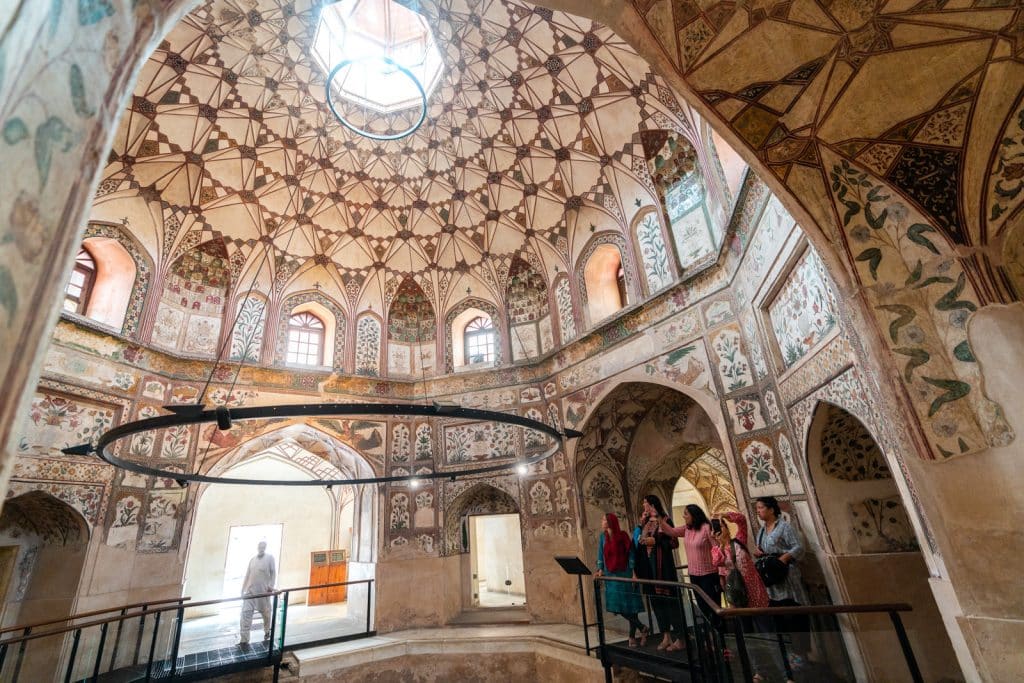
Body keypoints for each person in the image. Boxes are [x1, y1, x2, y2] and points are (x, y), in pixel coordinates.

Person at [752, 497, 810, 667]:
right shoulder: (762, 531)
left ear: (771, 509)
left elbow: (798, 547)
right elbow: (763, 549)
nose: (758, 511)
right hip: (772, 582)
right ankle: (789, 658)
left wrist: (784, 558)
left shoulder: (784, 527)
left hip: (786, 577)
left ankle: (802, 656)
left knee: (794, 617)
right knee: (779, 620)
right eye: (757, 508)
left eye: (761, 507)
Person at [633, 495, 684, 652]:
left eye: (646, 503)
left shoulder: (665, 520)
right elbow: (637, 542)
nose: (644, 506)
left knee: (671, 603)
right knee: (658, 604)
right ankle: (666, 635)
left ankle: (681, 637)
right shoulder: (646, 523)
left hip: (663, 569)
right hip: (649, 570)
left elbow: (674, 542)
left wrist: (656, 542)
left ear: (653, 504)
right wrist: (641, 528)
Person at [659, 504, 721, 625]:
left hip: (708, 574)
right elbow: (672, 532)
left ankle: (720, 637)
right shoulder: (687, 529)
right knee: (702, 606)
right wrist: (660, 519)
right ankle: (711, 637)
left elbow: (716, 548)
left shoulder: (706, 528)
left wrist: (722, 571)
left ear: (694, 515)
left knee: (713, 607)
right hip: (694, 575)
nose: (683, 516)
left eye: (686, 514)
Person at [595, 512, 647, 647]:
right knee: (616, 606)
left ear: (610, 522)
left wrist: (634, 572)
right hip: (611, 576)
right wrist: (600, 569)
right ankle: (642, 628)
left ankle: (631, 636)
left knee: (630, 607)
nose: (602, 522)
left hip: (625, 573)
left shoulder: (622, 535)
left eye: (603, 520)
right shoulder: (603, 537)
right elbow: (600, 554)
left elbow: (630, 554)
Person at [712, 512, 768, 610]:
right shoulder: (716, 550)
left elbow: (742, 520)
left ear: (727, 528)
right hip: (736, 590)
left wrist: (724, 515)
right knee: (744, 622)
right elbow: (717, 562)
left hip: (753, 586)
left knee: (762, 619)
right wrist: (721, 544)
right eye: (715, 529)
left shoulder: (739, 540)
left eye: (721, 526)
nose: (719, 530)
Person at [239, 541, 277, 647]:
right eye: (260, 546)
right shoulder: (252, 560)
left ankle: (267, 631)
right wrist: (242, 590)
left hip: (263, 592)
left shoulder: (270, 558)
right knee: (245, 614)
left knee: (266, 614)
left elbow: (273, 573)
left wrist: (271, 586)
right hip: (250, 592)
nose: (261, 548)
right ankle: (244, 640)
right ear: (257, 547)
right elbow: (247, 575)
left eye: (263, 546)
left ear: (265, 547)